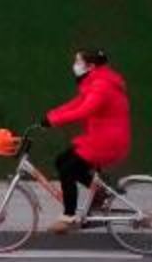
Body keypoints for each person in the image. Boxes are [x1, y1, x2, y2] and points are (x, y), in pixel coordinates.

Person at [42, 49, 131, 234]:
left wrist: (55, 120)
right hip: (101, 137)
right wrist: (51, 115)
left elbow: (85, 110)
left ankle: (69, 217)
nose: (75, 66)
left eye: (78, 62)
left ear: (90, 66)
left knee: (67, 169)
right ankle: (99, 192)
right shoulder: (96, 81)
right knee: (62, 160)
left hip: (107, 141)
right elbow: (77, 103)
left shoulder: (101, 85)